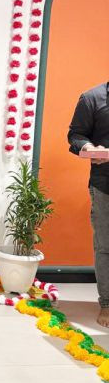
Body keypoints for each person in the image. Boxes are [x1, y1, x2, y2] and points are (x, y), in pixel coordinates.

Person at [68, 81, 109, 328]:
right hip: (105, 183)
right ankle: (107, 303)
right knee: (106, 246)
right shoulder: (92, 98)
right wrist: (90, 148)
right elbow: (76, 135)